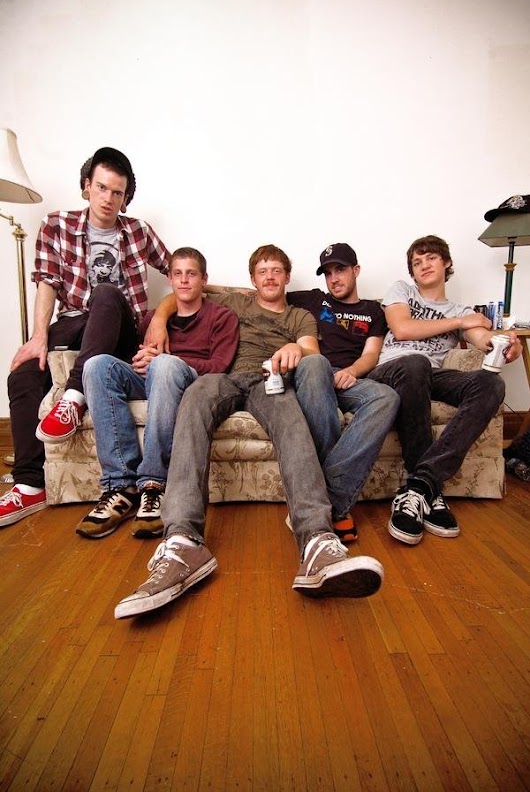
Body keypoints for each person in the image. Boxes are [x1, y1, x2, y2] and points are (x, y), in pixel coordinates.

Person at [114, 244, 384, 619]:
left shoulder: (301, 316)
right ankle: (182, 542)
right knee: (193, 401)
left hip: (270, 381)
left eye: (277, 270)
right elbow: (185, 291)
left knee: (292, 421)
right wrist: (159, 318)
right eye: (262, 271)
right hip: (223, 378)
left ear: (287, 277)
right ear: (253, 279)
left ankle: (317, 541)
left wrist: (294, 348)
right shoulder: (236, 301)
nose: (270, 277)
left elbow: (310, 350)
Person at [0, 147, 172, 528]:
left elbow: (179, 270)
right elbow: (47, 282)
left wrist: (162, 315)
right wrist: (38, 337)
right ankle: (30, 486)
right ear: (86, 186)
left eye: (117, 192)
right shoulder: (55, 225)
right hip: (75, 322)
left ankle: (73, 397)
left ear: (125, 198)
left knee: (107, 294)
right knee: (23, 374)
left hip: (121, 327)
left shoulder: (138, 231)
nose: (108, 198)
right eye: (102, 188)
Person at [368, 234, 522, 545]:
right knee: (415, 364)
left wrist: (504, 345)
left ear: (446, 262)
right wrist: (459, 321)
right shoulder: (402, 291)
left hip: (431, 375)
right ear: (412, 272)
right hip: (391, 371)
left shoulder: (460, 309)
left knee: (491, 383)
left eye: (431, 258)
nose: (424, 265)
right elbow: (402, 329)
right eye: (417, 262)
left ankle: (421, 486)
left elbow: (481, 338)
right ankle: (428, 491)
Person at [76, 247, 239, 540]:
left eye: (191, 274)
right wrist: (141, 360)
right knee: (97, 365)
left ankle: (154, 484)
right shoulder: (153, 317)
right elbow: (142, 353)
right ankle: (120, 485)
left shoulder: (222, 316)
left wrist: (165, 359)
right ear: (170, 279)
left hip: (191, 382)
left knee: (164, 365)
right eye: (178, 274)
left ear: (204, 280)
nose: (184, 280)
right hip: (152, 377)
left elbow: (219, 366)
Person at [288, 243, 400, 542]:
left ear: (356, 270)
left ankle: (327, 499)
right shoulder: (315, 300)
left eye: (340, 270)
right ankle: (337, 512)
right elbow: (262, 293)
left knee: (386, 397)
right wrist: (206, 291)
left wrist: (352, 371)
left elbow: (371, 354)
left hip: (350, 378)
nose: (334, 278)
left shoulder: (373, 311)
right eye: (328, 273)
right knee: (316, 364)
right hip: (314, 376)